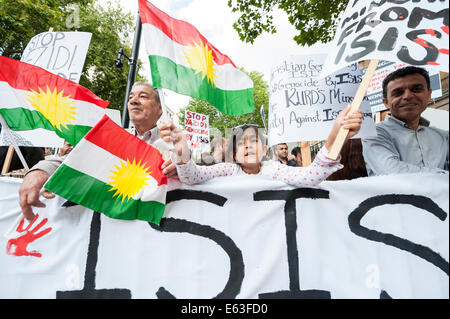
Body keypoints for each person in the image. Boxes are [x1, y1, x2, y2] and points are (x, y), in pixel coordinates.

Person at [18, 81, 177, 221]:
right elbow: (74, 158)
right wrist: (39, 172)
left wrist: (179, 164)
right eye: (130, 98)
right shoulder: (114, 138)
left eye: (143, 96)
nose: (134, 101)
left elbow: (190, 170)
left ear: (159, 108)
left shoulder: (174, 142)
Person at [160, 105, 363, 186]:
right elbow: (191, 176)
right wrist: (182, 151)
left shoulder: (273, 170)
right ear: (234, 153)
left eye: (254, 141)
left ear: (265, 150)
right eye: (240, 143)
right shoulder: (227, 170)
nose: (247, 146)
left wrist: (336, 136)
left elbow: (309, 176)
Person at [362, 66, 449, 176]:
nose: (408, 96)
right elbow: (393, 173)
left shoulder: (443, 136)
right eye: (398, 93)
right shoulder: (374, 134)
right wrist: (443, 176)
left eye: (416, 89)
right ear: (386, 103)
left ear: (428, 95)